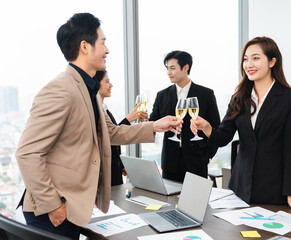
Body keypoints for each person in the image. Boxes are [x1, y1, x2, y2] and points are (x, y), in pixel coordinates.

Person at [15, 13, 181, 240]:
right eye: (103, 42)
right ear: (85, 46)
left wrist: (154, 126)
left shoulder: (88, 90)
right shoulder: (60, 90)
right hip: (51, 211)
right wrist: (53, 206)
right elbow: (27, 152)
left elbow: (111, 133)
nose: (107, 50)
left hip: (70, 207)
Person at [190, 37, 291, 213]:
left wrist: (290, 196)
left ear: (272, 61)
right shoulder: (239, 97)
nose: (249, 64)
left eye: (255, 58)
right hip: (239, 188)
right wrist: (207, 127)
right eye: (246, 59)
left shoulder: (290, 99)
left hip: (272, 189)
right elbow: (223, 137)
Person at [149, 50, 220, 182]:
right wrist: (144, 121)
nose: (168, 72)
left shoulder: (206, 94)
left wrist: (207, 155)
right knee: (169, 201)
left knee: (196, 201)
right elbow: (153, 122)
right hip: (170, 163)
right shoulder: (162, 95)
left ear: (186, 68)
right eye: (167, 68)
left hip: (197, 162)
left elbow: (216, 128)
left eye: (172, 68)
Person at [94, 70, 147, 186]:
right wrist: (128, 119)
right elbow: (110, 137)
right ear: (95, 84)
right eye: (107, 81)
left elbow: (111, 136)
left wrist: (121, 164)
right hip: (106, 174)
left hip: (114, 170)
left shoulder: (105, 109)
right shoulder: (96, 111)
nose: (111, 85)